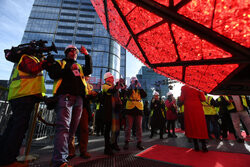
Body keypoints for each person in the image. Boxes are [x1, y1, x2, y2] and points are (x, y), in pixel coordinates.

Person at [0, 51, 48, 167]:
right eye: (42, 56)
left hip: (23, 96)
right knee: (17, 130)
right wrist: (45, 63)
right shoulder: (27, 58)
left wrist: (42, 97)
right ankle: (8, 161)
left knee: (13, 128)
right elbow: (32, 69)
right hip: (23, 96)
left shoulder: (30, 59)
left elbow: (33, 81)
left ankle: (4, 157)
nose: (43, 57)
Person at [48, 45, 92, 167]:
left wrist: (87, 55)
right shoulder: (60, 63)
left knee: (72, 130)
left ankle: (62, 156)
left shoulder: (78, 66)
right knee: (63, 128)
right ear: (67, 52)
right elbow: (53, 74)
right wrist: (68, 69)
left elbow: (88, 70)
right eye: (72, 51)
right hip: (65, 97)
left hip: (79, 100)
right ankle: (59, 161)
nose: (74, 53)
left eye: (76, 52)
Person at [68, 75, 97, 159]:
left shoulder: (88, 85)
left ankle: (83, 151)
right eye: (86, 75)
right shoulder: (75, 81)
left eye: (89, 76)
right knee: (71, 129)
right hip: (73, 105)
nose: (88, 77)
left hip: (84, 107)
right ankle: (70, 151)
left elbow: (89, 97)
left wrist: (93, 95)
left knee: (84, 129)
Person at [180, 85, 208, 152]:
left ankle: (196, 146)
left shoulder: (183, 87)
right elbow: (203, 99)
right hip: (197, 107)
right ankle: (204, 146)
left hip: (189, 108)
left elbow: (181, 99)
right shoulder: (198, 86)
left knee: (192, 125)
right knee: (200, 125)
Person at [102, 72, 124, 155]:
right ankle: (107, 148)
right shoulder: (105, 86)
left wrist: (120, 87)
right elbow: (111, 91)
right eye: (111, 77)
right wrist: (117, 86)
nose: (113, 79)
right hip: (109, 111)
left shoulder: (114, 86)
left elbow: (119, 94)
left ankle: (114, 144)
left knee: (116, 129)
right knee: (108, 129)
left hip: (115, 110)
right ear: (107, 78)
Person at [123, 77, 147, 150]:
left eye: (135, 81)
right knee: (128, 127)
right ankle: (126, 142)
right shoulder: (129, 88)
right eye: (133, 81)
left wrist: (140, 87)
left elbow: (144, 95)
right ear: (131, 82)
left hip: (139, 108)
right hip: (130, 108)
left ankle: (139, 142)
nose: (134, 82)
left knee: (139, 127)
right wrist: (131, 87)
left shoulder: (139, 88)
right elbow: (126, 94)